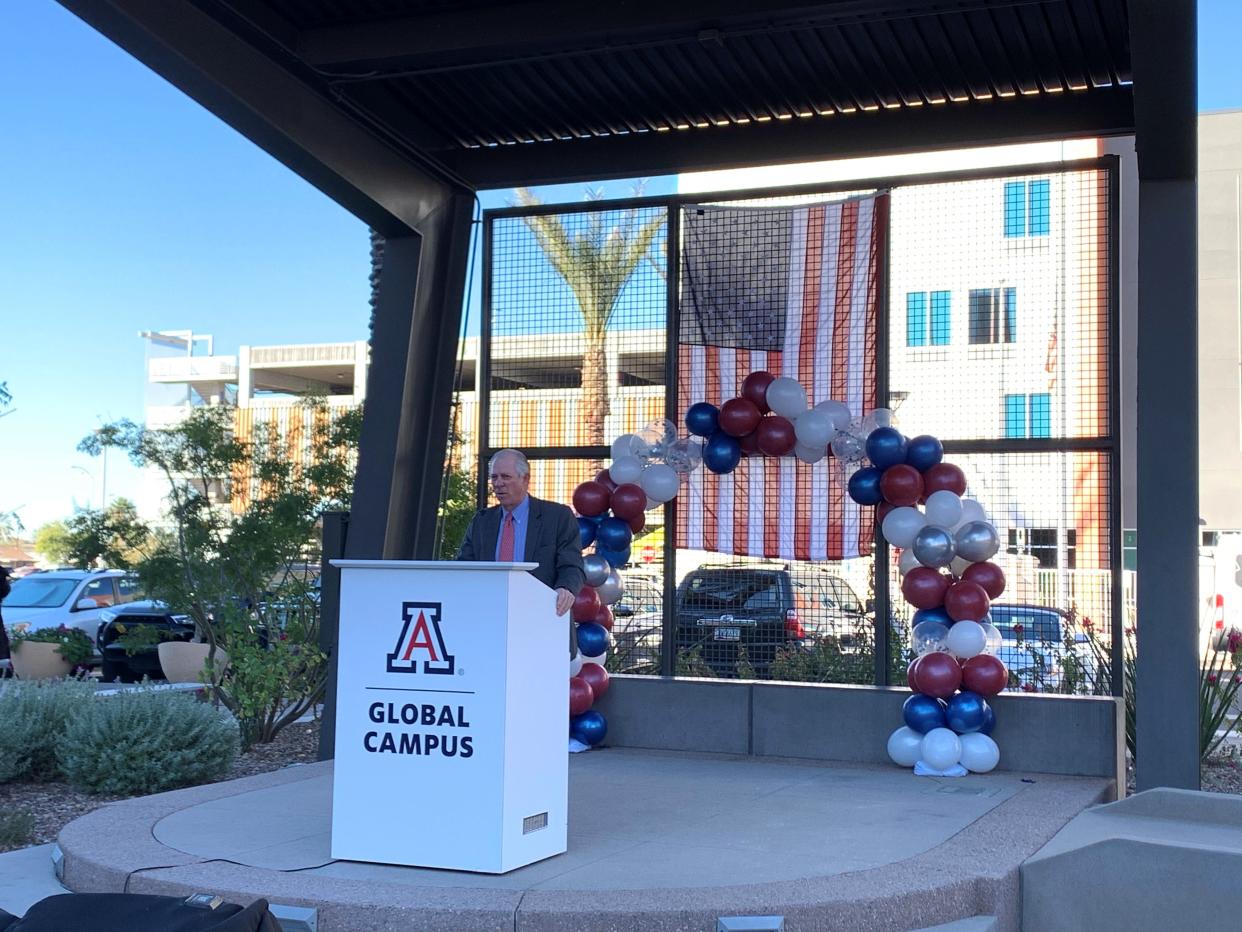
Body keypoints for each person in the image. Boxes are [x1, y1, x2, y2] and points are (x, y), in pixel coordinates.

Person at [456, 449, 585, 619]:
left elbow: (572, 565)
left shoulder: (557, 517)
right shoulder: (482, 521)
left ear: (525, 479)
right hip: (489, 615)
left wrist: (565, 589)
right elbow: (464, 567)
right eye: (494, 477)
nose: (498, 483)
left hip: (541, 615)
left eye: (505, 476)